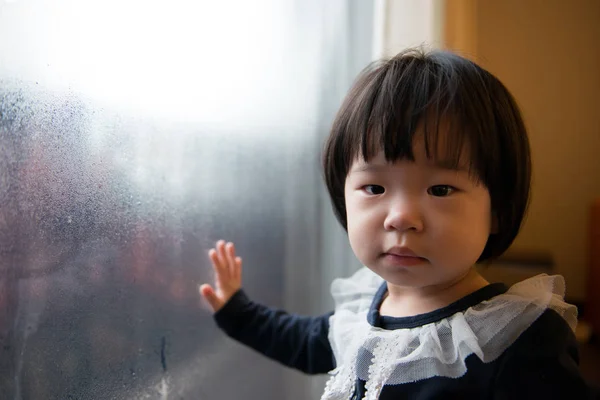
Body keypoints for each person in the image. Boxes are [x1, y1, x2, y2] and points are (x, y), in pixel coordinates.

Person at [199, 48, 593, 399]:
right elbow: (304, 342)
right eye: (374, 187)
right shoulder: (364, 310)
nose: (401, 216)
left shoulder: (512, 339)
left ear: (498, 211)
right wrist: (238, 310)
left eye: (440, 189)